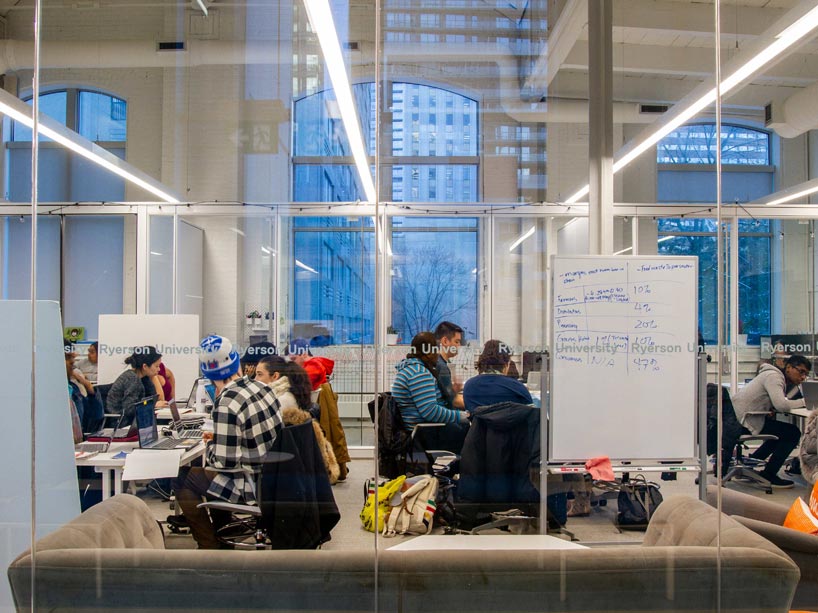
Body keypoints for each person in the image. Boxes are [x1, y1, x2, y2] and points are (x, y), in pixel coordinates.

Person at [173, 335, 282, 549]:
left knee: (182, 478)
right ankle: (226, 529)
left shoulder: (226, 402)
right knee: (205, 475)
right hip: (273, 479)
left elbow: (225, 463)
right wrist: (222, 439)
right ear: (235, 361)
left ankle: (209, 545)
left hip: (249, 484)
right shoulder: (264, 388)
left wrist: (212, 446)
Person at [255, 356, 340, 484]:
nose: (255, 379)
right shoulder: (285, 393)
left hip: (276, 464)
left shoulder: (280, 400)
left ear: (275, 376)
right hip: (291, 464)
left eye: (259, 375)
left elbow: (263, 435)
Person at [732, 354, 811, 488]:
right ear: (789, 367)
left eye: (806, 374)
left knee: (782, 432)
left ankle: (752, 462)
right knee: (792, 433)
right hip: (744, 421)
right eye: (801, 371)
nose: (803, 377)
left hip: (739, 419)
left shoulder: (772, 375)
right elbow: (781, 405)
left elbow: (776, 404)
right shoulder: (774, 377)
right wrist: (806, 401)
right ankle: (769, 474)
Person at [392, 331, 469, 453]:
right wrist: (462, 416)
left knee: (467, 427)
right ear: (428, 352)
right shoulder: (419, 373)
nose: (437, 354)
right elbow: (430, 412)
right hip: (424, 433)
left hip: (423, 429)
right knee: (473, 434)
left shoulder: (412, 369)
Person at [463, 340, 533, 414]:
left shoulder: (469, 386)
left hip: (480, 426)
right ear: (506, 364)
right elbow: (532, 417)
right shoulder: (518, 388)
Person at [105, 346, 164, 425]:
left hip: (133, 422)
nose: (159, 369)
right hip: (121, 424)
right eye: (156, 366)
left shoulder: (144, 378)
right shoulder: (132, 379)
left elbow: (154, 397)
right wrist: (152, 405)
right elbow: (129, 409)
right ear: (145, 366)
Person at [434, 321, 465, 409]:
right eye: (457, 342)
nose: (459, 346)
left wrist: (454, 390)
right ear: (445, 341)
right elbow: (454, 401)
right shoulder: (441, 367)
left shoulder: (437, 362)